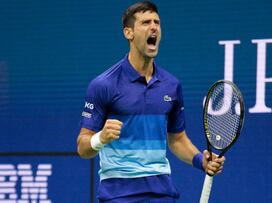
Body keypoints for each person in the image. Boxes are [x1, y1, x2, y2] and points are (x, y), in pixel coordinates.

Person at [76, 1, 225, 202]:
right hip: (118, 193)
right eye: (146, 22)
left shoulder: (171, 85)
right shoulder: (103, 85)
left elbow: (177, 139)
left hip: (161, 191)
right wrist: (100, 138)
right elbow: (82, 148)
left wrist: (202, 161)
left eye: (157, 22)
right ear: (128, 33)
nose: (154, 27)